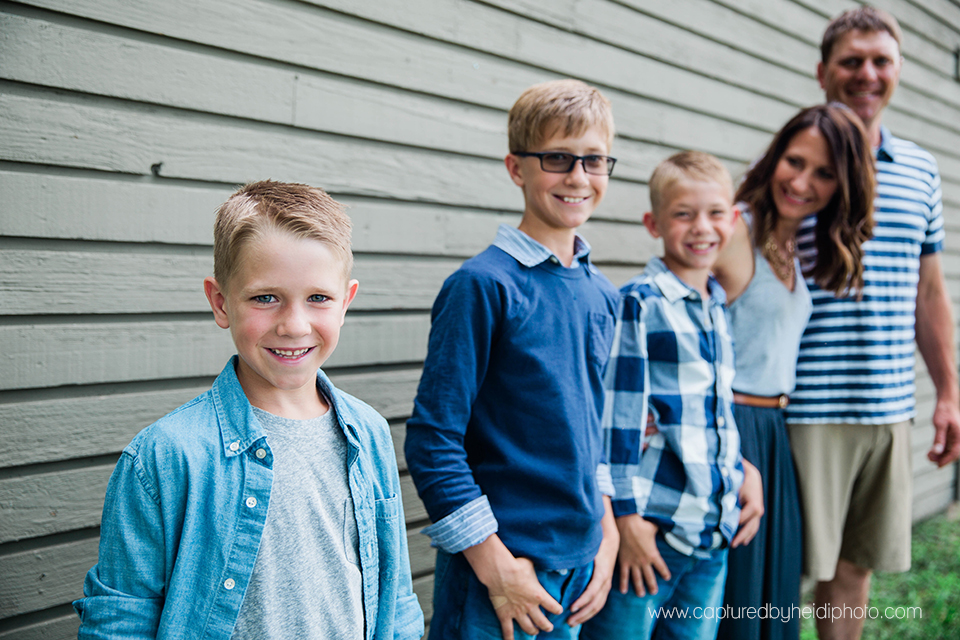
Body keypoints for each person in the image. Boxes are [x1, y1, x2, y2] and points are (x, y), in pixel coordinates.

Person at [73, 181, 424, 639]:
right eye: (265, 297)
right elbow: (120, 622)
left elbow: (394, 599)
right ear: (221, 302)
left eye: (318, 298)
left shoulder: (369, 433)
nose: (294, 325)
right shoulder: (163, 457)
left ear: (346, 302)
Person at [404, 79, 621, 640]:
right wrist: (496, 568)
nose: (577, 177)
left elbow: (589, 427)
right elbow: (433, 440)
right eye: (556, 158)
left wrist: (609, 530)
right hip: (504, 571)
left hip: (581, 564)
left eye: (593, 160)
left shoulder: (602, 293)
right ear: (516, 167)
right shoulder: (482, 286)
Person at [786, 7, 960, 640]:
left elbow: (930, 292)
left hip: (885, 406)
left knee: (854, 568)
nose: (867, 74)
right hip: (799, 407)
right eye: (851, 61)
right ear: (823, 73)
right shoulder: (795, 171)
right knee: (785, 569)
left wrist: (947, 392)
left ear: (898, 71)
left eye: (880, 61)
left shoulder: (920, 170)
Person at [580, 151, 763, 640]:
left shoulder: (717, 304)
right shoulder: (642, 304)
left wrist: (743, 469)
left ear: (734, 219)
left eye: (715, 213)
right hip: (653, 532)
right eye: (684, 214)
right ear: (654, 223)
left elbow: (711, 412)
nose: (702, 227)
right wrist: (626, 520)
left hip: (710, 532)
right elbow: (616, 423)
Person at [712, 104, 875, 640]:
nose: (802, 181)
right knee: (730, 603)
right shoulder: (732, 229)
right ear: (774, 157)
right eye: (794, 161)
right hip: (731, 429)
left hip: (774, 435)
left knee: (771, 602)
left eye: (824, 173)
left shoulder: (793, 244)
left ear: (842, 186)